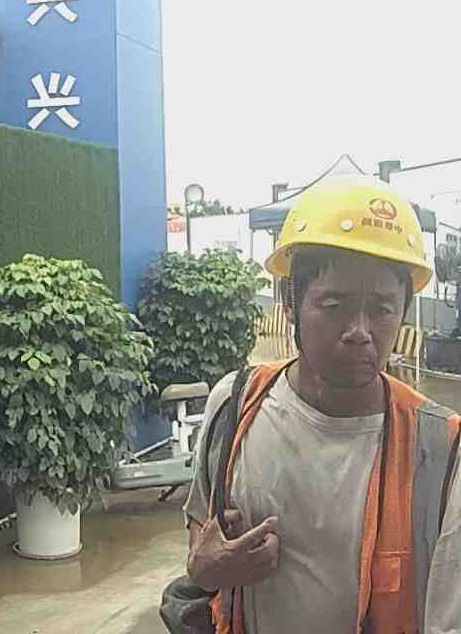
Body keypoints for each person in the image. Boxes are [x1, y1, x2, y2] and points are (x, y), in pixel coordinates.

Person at [184, 176, 461, 634]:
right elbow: (201, 537)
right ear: (289, 300)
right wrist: (205, 568)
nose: (360, 331)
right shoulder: (235, 404)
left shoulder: (441, 447)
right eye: (334, 305)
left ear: (404, 311)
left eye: (382, 309)